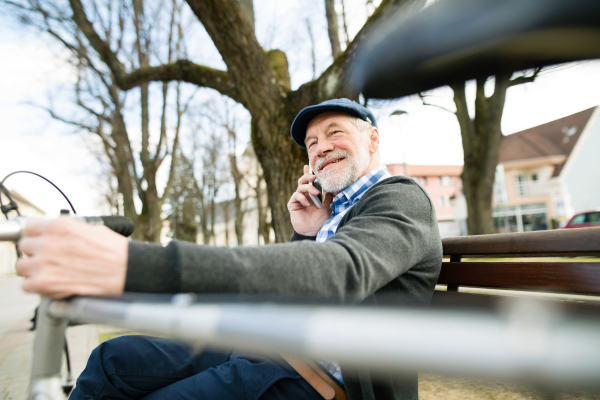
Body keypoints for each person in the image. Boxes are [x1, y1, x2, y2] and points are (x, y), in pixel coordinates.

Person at [16, 98, 442, 400]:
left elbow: (340, 271)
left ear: (372, 139)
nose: (321, 147)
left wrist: (135, 263)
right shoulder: (335, 210)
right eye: (311, 143)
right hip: (265, 345)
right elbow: (297, 286)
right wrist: (306, 231)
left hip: (317, 378)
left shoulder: (398, 197)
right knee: (109, 359)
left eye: (335, 133)